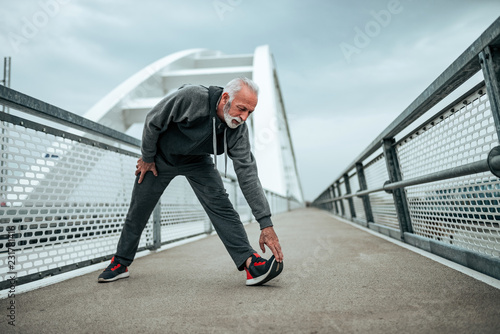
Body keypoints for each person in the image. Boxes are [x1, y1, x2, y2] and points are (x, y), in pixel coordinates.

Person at [98, 77, 284, 286]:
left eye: (250, 112)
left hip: (198, 162)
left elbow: (247, 173)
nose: (243, 117)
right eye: (241, 109)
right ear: (225, 98)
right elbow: (153, 120)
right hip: (161, 158)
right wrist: (148, 158)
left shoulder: (238, 130)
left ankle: (251, 264)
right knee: (139, 209)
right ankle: (120, 262)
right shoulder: (192, 97)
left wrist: (265, 223)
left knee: (222, 207)